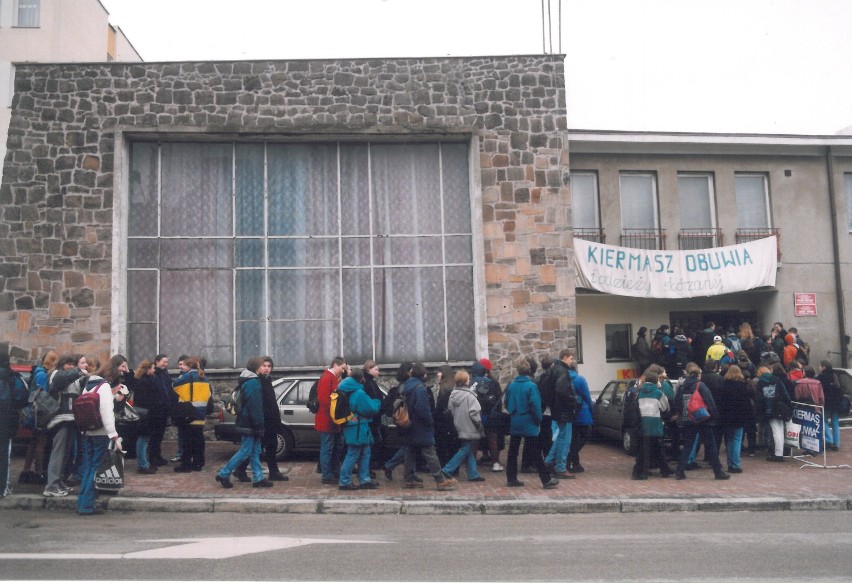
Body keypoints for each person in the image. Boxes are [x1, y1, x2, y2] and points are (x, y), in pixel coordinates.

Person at [76, 359, 125, 516]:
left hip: (88, 431)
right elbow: (106, 411)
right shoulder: (103, 386)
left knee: (89, 467)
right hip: (101, 432)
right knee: (96, 468)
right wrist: (113, 434)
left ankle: (82, 502)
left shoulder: (89, 385)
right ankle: (86, 505)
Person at [215, 357, 272, 489]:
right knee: (246, 451)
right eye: (261, 365)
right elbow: (255, 406)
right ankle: (224, 473)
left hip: (246, 421)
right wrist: (259, 424)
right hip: (250, 423)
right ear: (256, 367)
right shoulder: (253, 383)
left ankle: (258, 478)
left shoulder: (248, 380)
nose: (264, 368)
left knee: (255, 450)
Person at [504, 359, 559, 490]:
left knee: (513, 451)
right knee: (535, 452)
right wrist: (538, 419)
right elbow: (535, 405)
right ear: (528, 370)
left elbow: (506, 402)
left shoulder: (511, 385)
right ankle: (546, 480)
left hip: (516, 419)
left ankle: (511, 478)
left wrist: (512, 411)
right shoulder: (531, 385)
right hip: (529, 421)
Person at [401, 363, 457, 491]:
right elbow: (422, 409)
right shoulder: (420, 388)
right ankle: (440, 480)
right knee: (430, 452)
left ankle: (409, 479)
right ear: (422, 374)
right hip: (421, 426)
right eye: (425, 373)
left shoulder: (408, 385)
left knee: (410, 451)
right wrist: (430, 421)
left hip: (410, 424)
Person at [234, 356, 288, 482]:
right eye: (264, 366)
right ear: (258, 367)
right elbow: (259, 403)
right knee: (255, 448)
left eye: (269, 366)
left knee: (271, 446)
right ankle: (240, 470)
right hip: (263, 420)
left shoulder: (267, 380)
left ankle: (273, 472)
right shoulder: (257, 381)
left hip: (271, 420)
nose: (267, 369)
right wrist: (261, 421)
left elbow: (271, 402)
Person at [673, 362, 730, 480]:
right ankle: (718, 472)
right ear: (698, 375)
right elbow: (710, 402)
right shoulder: (701, 386)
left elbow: (677, 403)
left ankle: (680, 470)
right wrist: (714, 416)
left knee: (688, 445)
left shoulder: (683, 387)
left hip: (688, 419)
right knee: (711, 446)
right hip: (703, 419)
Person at [43, 354, 88, 497]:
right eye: (68, 364)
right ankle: (51, 486)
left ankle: (59, 481)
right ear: (61, 364)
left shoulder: (73, 377)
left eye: (72, 364)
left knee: (65, 454)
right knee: (58, 453)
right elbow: (61, 381)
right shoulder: (56, 374)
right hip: (59, 420)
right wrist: (78, 371)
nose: (71, 367)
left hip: (70, 420)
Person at [337, 368, 382, 490]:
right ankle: (345, 481)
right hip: (358, 427)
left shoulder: (345, 389)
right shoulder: (359, 393)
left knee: (364, 452)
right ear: (361, 379)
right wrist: (377, 402)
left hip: (353, 426)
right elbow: (371, 409)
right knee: (353, 454)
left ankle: (365, 479)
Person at [19, 350, 58, 487]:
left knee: (34, 442)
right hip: (39, 413)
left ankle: (26, 470)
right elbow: (42, 395)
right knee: (41, 442)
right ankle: (39, 472)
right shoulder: (42, 375)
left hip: (35, 412)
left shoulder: (38, 372)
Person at [441, 370, 485, 482]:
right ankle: (447, 469)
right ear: (465, 381)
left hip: (458, 425)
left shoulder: (453, 395)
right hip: (470, 426)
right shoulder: (470, 396)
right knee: (465, 449)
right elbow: (475, 414)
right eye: (468, 379)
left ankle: (473, 474)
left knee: (468, 448)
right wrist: (480, 427)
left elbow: (450, 409)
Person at [171, 356, 210, 472]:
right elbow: (208, 394)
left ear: (188, 366)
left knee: (187, 440)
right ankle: (198, 463)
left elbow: (174, 386)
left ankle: (186, 465)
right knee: (199, 439)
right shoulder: (204, 378)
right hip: (201, 412)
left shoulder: (186, 377)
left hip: (188, 413)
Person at [544, 349, 578, 479]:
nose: (572, 361)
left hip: (557, 409)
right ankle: (560, 468)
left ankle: (548, 461)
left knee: (561, 437)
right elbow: (562, 390)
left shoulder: (555, 369)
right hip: (564, 410)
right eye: (570, 358)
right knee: (565, 439)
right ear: (564, 357)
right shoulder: (562, 371)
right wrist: (573, 401)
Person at [632, 369, 670, 480]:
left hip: (643, 424)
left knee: (645, 449)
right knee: (657, 447)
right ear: (655, 381)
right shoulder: (658, 393)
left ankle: (663, 469)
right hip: (655, 424)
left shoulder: (640, 393)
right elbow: (665, 407)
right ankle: (639, 472)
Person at [0, 351, 28, 498]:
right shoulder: (12, 377)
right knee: (4, 455)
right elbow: (22, 397)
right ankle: (2, 488)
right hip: (5, 421)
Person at [315, 357, 347, 485]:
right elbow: (324, 400)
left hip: (333, 420)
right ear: (335, 365)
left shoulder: (332, 377)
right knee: (328, 447)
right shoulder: (327, 378)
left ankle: (333, 472)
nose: (343, 371)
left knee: (335, 447)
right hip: (327, 420)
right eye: (342, 368)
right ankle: (327, 475)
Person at [470, 359, 504, 472]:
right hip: (490, 414)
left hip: (477, 414)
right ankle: (495, 463)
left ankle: (472, 464)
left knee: (475, 440)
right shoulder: (492, 382)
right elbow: (498, 399)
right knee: (492, 439)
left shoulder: (472, 382)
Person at [381, 362, 413, 479]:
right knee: (409, 446)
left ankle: (410, 473)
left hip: (402, 420)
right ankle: (389, 465)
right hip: (405, 420)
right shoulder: (406, 386)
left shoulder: (402, 385)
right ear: (408, 372)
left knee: (410, 446)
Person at [753, 365, 792, 462]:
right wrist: (789, 404)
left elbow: (759, 398)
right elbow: (785, 393)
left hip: (769, 408)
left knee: (775, 431)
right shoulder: (777, 379)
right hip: (779, 407)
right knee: (780, 430)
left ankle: (778, 454)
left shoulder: (760, 382)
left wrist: (759, 411)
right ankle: (780, 452)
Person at [718, 364, 751, 473]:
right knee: (737, 440)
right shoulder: (742, 387)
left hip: (726, 417)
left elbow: (720, 403)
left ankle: (730, 463)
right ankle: (735, 464)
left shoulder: (724, 386)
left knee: (729, 440)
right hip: (739, 417)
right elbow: (747, 404)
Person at [128, 359, 157, 474]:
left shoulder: (141, 380)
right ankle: (143, 465)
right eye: (153, 368)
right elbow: (150, 399)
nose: (154, 370)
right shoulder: (146, 381)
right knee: (143, 439)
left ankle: (144, 463)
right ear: (148, 369)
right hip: (145, 413)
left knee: (143, 439)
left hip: (141, 411)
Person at [568, 359, 594, 474]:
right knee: (585, 435)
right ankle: (571, 458)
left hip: (569, 411)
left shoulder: (564, 378)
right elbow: (586, 396)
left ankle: (575, 463)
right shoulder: (580, 379)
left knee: (573, 438)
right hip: (582, 412)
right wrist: (592, 408)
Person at [148, 354, 173, 467]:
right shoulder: (153, 374)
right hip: (156, 410)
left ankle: (157, 455)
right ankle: (152, 457)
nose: (165, 364)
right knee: (154, 435)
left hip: (164, 409)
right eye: (164, 362)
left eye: (167, 362)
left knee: (160, 435)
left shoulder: (165, 374)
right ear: (157, 361)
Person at [433, 364, 458, 467]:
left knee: (444, 446)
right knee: (452, 445)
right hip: (450, 422)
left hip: (444, 422)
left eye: (439, 372)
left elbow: (441, 407)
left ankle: (447, 467)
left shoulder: (445, 388)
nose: (437, 374)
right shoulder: (451, 386)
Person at [817, 360, 842, 451]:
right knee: (835, 422)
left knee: (824, 421)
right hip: (835, 403)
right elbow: (839, 389)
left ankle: (829, 439)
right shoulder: (834, 375)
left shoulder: (820, 377)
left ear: (824, 367)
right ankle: (836, 443)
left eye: (820, 366)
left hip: (826, 403)